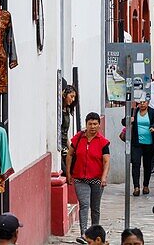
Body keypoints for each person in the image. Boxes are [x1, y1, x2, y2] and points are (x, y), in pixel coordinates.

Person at [66, 112, 110, 245]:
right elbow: (70, 155)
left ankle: (95, 234)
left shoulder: (103, 142)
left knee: (95, 208)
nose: (92, 126)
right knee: (84, 205)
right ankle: (84, 234)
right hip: (80, 178)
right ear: (86, 124)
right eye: (90, 124)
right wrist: (68, 173)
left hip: (97, 179)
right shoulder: (78, 138)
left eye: (95, 124)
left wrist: (103, 177)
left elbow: (106, 161)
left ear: (99, 125)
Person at [123, 92, 154, 196]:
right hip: (136, 143)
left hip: (149, 143)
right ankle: (136, 186)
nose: (142, 104)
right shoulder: (134, 112)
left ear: (148, 102)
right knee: (135, 164)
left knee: (147, 165)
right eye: (140, 102)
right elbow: (123, 121)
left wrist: (153, 127)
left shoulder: (153, 112)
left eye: (144, 102)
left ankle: (146, 185)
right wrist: (129, 120)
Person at [60, 85, 78, 174]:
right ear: (64, 95)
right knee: (64, 170)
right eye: (71, 96)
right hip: (59, 146)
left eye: (74, 97)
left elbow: (65, 133)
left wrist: (70, 148)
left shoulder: (66, 109)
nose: (73, 99)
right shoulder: (58, 110)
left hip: (64, 145)